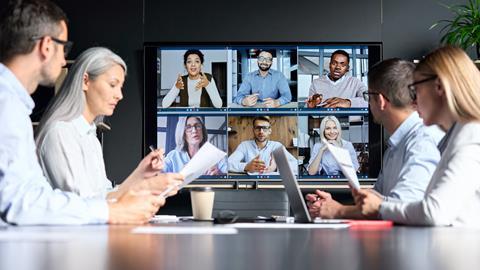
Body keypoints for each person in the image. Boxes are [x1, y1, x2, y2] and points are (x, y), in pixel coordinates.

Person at [0, 0, 181, 225]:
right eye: (63, 47)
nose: (64, 59)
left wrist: (139, 179)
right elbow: (21, 203)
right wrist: (115, 209)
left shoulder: (16, 106)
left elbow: (40, 196)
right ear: (46, 46)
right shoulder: (11, 107)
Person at [35, 47, 180, 200]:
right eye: (112, 84)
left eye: (121, 87)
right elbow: (84, 205)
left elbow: (104, 194)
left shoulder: (90, 137)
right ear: (85, 81)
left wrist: (142, 176)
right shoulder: (60, 133)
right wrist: (145, 186)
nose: (120, 95)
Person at [357, 46, 480, 227]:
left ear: (438, 86)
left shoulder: (471, 137)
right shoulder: (456, 136)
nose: (413, 101)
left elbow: (434, 212)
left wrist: (380, 207)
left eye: (416, 90)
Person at [306, 58, 443, 219]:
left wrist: (338, 211)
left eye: (368, 96)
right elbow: (379, 203)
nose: (368, 103)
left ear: (380, 100)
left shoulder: (422, 142)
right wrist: (332, 206)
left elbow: (405, 209)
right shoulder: (395, 146)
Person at [228, 116, 297, 174]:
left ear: (269, 131)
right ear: (253, 130)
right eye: (258, 128)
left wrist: (276, 166)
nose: (261, 132)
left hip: (271, 184)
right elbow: (228, 163)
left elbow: (295, 165)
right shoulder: (244, 145)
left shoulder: (277, 146)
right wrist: (246, 166)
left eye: (264, 128)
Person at [163, 116, 227, 175]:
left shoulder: (216, 155)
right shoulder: (172, 157)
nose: (194, 131)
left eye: (198, 126)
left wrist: (220, 174)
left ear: (202, 131)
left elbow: (230, 177)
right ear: (182, 133)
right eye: (188, 127)